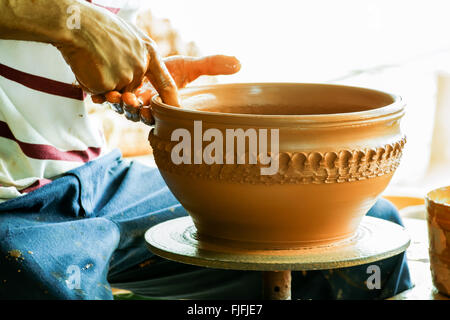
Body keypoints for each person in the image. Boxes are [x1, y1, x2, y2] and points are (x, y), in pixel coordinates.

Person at [0, 0, 412, 300]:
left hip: (93, 178)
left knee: (368, 245)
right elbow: (73, 27)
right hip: (10, 208)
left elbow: (70, 70)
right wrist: (70, 21)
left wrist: (134, 80)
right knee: (43, 276)